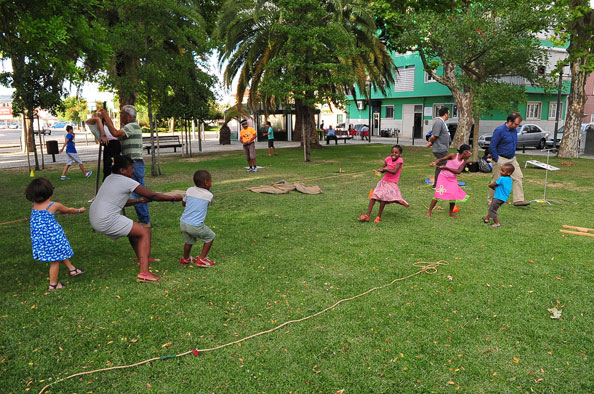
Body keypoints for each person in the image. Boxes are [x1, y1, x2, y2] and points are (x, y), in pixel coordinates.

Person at [89, 155, 183, 282]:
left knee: (135, 232)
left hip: (95, 217)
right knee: (145, 232)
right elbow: (152, 195)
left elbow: (118, 201)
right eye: (131, 168)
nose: (132, 171)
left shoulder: (109, 178)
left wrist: (138, 200)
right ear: (123, 170)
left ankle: (142, 258)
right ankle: (144, 273)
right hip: (106, 219)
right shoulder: (127, 182)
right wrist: (174, 198)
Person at [25, 177, 86, 290]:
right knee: (55, 261)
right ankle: (53, 285)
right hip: (53, 238)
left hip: (40, 239)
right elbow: (68, 210)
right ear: (50, 193)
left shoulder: (34, 205)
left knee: (59, 253)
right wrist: (79, 210)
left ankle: (72, 269)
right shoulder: (53, 205)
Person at [98, 106, 152, 226]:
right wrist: (106, 119)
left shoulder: (132, 126)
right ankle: (143, 219)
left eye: (121, 113)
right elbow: (115, 133)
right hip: (131, 164)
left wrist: (106, 116)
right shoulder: (128, 127)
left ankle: (145, 221)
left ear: (128, 115)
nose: (120, 116)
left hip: (135, 164)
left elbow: (115, 133)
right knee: (133, 191)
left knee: (138, 192)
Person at [359, 145, 409, 223]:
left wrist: (386, 169)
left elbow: (394, 171)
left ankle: (378, 216)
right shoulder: (387, 159)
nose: (394, 154)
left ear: (400, 154)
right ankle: (367, 215)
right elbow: (383, 169)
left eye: (396, 153)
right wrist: (381, 170)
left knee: (383, 199)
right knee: (373, 196)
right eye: (392, 152)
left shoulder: (399, 161)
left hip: (392, 183)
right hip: (383, 181)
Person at [488, 113, 530, 206]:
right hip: (501, 159)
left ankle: (518, 200)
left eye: (518, 124)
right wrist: (496, 159)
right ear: (510, 122)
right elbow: (492, 146)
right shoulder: (499, 130)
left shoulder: (514, 130)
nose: (517, 126)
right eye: (516, 124)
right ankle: (491, 201)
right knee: (496, 180)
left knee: (518, 177)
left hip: (512, 159)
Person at [179, 170, 216, 267]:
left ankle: (185, 259)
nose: (211, 183)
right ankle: (202, 259)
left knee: (189, 241)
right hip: (195, 226)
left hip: (183, 223)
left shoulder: (189, 190)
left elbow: (183, 203)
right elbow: (209, 203)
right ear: (206, 183)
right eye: (210, 181)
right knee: (210, 236)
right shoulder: (209, 195)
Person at [426, 144, 471, 218]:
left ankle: (451, 212)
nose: (470, 155)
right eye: (470, 153)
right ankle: (429, 211)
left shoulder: (464, 161)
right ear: (465, 152)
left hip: (452, 179)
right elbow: (441, 159)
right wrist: (435, 163)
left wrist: (446, 168)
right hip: (443, 177)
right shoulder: (453, 155)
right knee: (438, 194)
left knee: (453, 195)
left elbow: (458, 171)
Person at [86, 112, 121, 180]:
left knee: (112, 166)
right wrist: (103, 135)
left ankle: (112, 180)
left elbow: (111, 127)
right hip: (110, 143)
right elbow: (97, 119)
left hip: (113, 143)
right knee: (108, 167)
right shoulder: (92, 121)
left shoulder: (103, 125)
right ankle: (108, 180)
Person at [426, 107, 450, 188]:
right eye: (449, 113)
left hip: (443, 148)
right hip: (440, 148)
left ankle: (439, 183)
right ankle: (437, 185)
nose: (449, 115)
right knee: (441, 165)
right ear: (445, 114)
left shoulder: (442, 122)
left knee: (441, 165)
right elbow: (434, 135)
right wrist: (430, 142)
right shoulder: (438, 122)